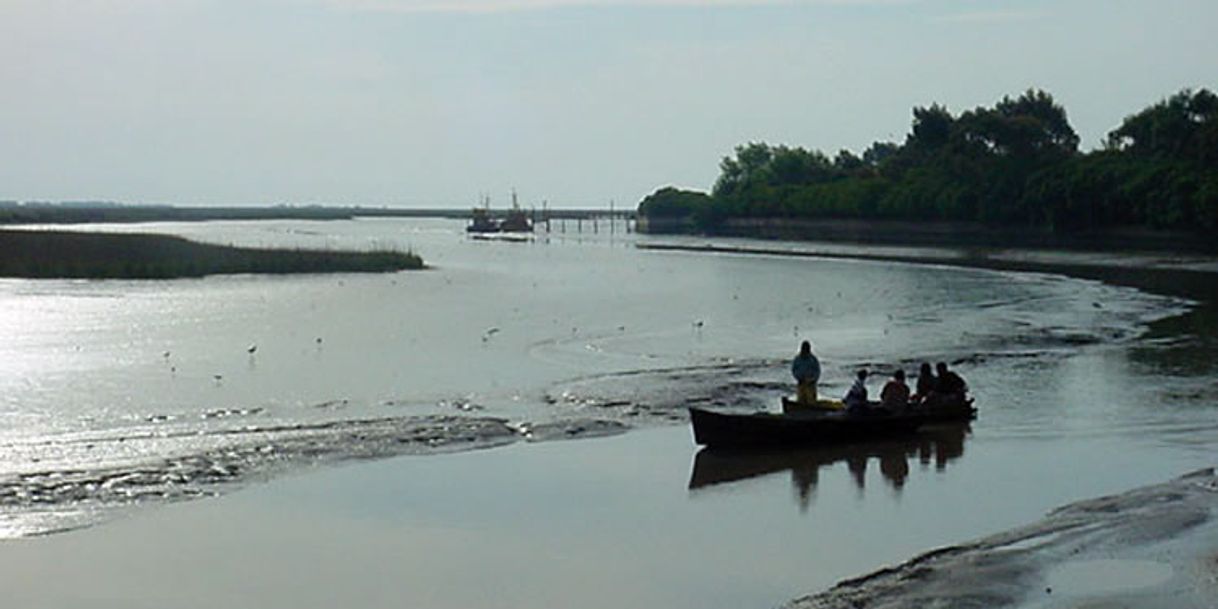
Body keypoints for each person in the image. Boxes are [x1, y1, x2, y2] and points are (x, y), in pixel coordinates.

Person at [790, 340, 821, 405]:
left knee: (811, 401)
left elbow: (817, 371)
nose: (805, 351)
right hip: (801, 382)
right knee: (800, 400)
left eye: (806, 350)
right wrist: (799, 377)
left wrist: (812, 379)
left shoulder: (813, 359)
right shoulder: (797, 359)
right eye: (804, 349)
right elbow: (794, 370)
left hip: (811, 384)